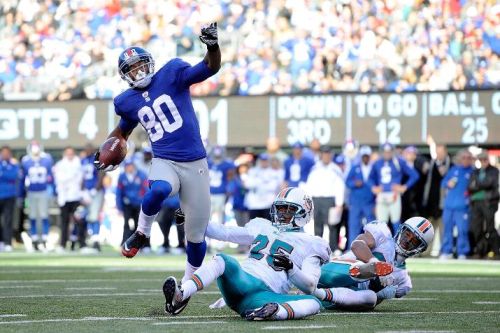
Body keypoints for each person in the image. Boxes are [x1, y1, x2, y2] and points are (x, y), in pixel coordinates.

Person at [94, 23, 221, 284]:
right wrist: (105, 152)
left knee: (195, 236)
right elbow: (122, 132)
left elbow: (210, 67)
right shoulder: (126, 101)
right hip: (165, 159)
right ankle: (142, 232)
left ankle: (187, 286)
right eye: (132, 69)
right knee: (159, 189)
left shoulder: (172, 72)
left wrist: (212, 45)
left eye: (141, 65)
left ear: (150, 63)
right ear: (124, 76)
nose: (138, 71)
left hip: (195, 163)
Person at [163, 187, 331, 321]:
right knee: (222, 259)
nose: (282, 214)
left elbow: (310, 286)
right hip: (243, 280)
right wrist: (194, 220)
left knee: (314, 303)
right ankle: (181, 295)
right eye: (280, 209)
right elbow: (226, 232)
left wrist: (292, 268)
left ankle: (273, 312)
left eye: (288, 210)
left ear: (304, 212)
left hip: (265, 295)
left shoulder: (312, 243)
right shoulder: (263, 226)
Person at [316, 217, 434, 310]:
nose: (407, 240)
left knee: (371, 298)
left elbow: (373, 303)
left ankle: (317, 294)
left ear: (420, 248)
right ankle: (369, 269)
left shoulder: (404, 281)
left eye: (414, 241)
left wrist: (380, 294)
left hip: (344, 293)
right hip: (334, 271)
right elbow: (357, 245)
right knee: (365, 271)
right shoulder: (383, 235)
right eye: (407, 234)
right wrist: (374, 262)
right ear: (401, 230)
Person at [369, 143, 419, 234]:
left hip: (394, 194)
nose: (387, 154)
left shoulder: (399, 162)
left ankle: (398, 246)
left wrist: (404, 186)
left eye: (389, 152)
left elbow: (414, 175)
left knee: (396, 221)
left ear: (392, 152)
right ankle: (381, 247)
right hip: (382, 195)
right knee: (380, 224)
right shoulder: (377, 163)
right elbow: (370, 178)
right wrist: (373, 187)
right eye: (385, 152)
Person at [305, 146, 345, 254]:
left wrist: (339, 203)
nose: (326, 156)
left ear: (331, 155)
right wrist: (308, 201)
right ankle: (318, 248)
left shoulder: (335, 169)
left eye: (328, 154)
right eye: (324, 154)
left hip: (330, 200)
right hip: (317, 199)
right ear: (321, 155)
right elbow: (310, 185)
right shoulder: (315, 168)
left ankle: (333, 247)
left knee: (332, 225)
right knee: (318, 225)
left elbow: (340, 186)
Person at [440, 150, 474, 260]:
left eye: (468, 157)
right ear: (460, 158)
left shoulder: (473, 172)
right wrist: (448, 183)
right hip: (449, 206)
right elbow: (443, 183)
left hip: (462, 207)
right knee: (447, 230)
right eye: (464, 157)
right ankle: (446, 251)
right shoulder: (454, 170)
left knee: (462, 230)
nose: (466, 160)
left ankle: (462, 252)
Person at [20, 142, 53, 250]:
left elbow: (50, 177)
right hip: (31, 191)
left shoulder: (47, 160)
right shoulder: (26, 161)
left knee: (44, 215)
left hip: (43, 191)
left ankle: (44, 238)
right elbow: (23, 178)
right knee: (33, 215)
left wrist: (52, 191)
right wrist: (22, 193)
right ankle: (34, 238)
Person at [421, 142, 452, 256]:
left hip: (444, 203)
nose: (439, 155)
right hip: (430, 203)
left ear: (445, 152)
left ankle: (444, 250)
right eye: (437, 152)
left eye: (441, 152)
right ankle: (426, 252)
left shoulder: (451, 165)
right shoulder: (431, 164)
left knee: (443, 228)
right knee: (428, 230)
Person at [468, 151, 499, 259]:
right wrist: (480, 185)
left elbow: (490, 183)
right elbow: (470, 186)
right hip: (476, 203)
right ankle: (481, 250)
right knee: (477, 228)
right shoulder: (475, 172)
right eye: (481, 160)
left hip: (489, 202)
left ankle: (496, 251)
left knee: (490, 228)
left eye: (485, 159)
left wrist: (477, 185)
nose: (483, 162)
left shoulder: (494, 171)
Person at [345, 145, 375, 247]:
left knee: (371, 227)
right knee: (354, 226)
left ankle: (372, 248)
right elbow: (347, 182)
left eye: (367, 156)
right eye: (364, 156)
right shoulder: (355, 167)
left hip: (369, 202)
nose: (365, 158)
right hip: (356, 202)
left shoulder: (373, 168)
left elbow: (377, 183)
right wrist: (354, 183)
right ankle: (351, 248)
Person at [54, 147, 83, 251]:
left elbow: (79, 180)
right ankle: (62, 244)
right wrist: (71, 177)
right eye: (68, 153)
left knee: (79, 221)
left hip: (75, 197)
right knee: (64, 222)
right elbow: (60, 180)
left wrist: (70, 178)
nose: (70, 155)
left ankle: (80, 244)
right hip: (64, 198)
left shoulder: (78, 164)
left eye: (72, 153)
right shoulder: (60, 165)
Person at [116, 160, 149, 246]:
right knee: (126, 224)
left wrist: (142, 201)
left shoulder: (141, 175)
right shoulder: (122, 176)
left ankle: (139, 244)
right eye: (127, 166)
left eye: (130, 166)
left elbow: (145, 189)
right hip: (127, 204)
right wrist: (119, 206)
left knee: (139, 224)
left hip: (138, 204)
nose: (129, 168)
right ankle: (125, 242)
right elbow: (119, 192)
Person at [244, 154, 283, 220]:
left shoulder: (274, 172)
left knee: (268, 227)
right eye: (262, 161)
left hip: (268, 204)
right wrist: (263, 183)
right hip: (254, 205)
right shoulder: (252, 171)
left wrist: (257, 182)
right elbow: (248, 184)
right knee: (254, 227)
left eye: (265, 161)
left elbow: (273, 187)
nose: (264, 162)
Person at [81, 144, 104, 251]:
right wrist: (83, 190)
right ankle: (87, 240)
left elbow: (101, 173)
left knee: (94, 216)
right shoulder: (83, 160)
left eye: (89, 149)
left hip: (96, 192)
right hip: (86, 192)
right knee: (85, 216)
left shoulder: (97, 158)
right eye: (86, 149)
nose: (87, 150)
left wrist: (96, 189)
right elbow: (81, 177)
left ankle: (96, 241)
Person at [208, 146, 235, 227]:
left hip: (221, 192)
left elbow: (230, 178)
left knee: (220, 214)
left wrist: (229, 189)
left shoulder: (227, 164)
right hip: (208, 192)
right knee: (207, 215)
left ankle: (220, 234)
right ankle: (207, 235)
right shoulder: (207, 163)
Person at [0, 146, 19, 252]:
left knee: (8, 220)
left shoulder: (13, 165)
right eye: (4, 153)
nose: (5, 155)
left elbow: (13, 176)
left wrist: (3, 175)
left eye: (7, 153)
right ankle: (1, 241)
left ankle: (7, 242)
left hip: (9, 196)